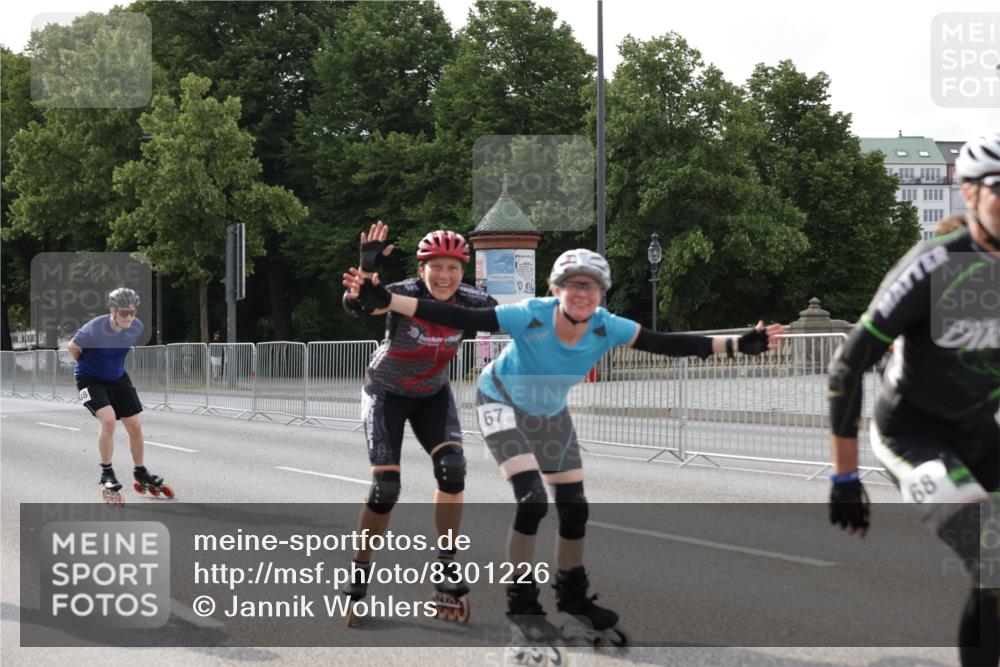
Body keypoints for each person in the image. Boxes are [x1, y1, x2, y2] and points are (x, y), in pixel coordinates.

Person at [344, 247, 782, 647]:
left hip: (548, 412)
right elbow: (462, 319)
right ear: (555, 290)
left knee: (574, 508)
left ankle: (572, 595)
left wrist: (740, 345)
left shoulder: (607, 326)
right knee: (532, 501)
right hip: (500, 401)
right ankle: (522, 604)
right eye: (572, 285)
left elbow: (665, 343)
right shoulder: (532, 314)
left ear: (601, 294)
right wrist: (385, 300)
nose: (581, 294)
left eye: (590, 286)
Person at [827, 132, 1000, 667]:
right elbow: (845, 366)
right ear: (968, 194)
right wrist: (844, 477)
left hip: (978, 429)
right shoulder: (933, 265)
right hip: (913, 432)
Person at [340, 222, 497, 622]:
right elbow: (364, 304)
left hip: (432, 394)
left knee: (453, 469)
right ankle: (359, 571)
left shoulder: (473, 301)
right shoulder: (404, 293)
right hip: (387, 394)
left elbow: (512, 320)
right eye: (436, 267)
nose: (445, 276)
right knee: (386, 488)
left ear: (464, 271)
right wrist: (363, 284)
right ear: (421, 268)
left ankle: (445, 564)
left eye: (454, 268)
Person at [69, 287, 172, 502]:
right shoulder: (94, 328)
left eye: (132, 312)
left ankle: (140, 471)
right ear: (112, 310)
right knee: (108, 421)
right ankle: (106, 471)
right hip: (89, 379)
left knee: (134, 425)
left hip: (117, 378)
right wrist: (86, 364)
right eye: (124, 312)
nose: (129, 317)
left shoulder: (136, 327)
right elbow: (73, 347)